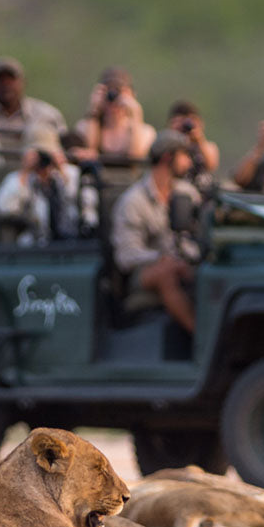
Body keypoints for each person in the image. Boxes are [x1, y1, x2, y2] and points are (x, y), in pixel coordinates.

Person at [110, 129, 200, 333]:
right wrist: (163, 258)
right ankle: (197, 334)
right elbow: (126, 255)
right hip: (145, 272)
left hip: (184, 263)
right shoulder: (134, 201)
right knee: (166, 273)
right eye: (184, 155)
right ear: (168, 157)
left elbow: (198, 236)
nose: (188, 162)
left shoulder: (187, 194)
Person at [0, 126, 80, 245]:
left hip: (72, 239)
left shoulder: (68, 173)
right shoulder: (18, 178)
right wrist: (25, 174)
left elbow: (77, 196)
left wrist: (61, 168)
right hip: (35, 241)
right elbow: (3, 207)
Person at [0, 56, 67, 151]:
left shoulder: (46, 115)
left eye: (11, 80)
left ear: (23, 82)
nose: (6, 85)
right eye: (0, 80)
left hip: (31, 165)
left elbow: (64, 147)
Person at [75, 67, 156, 161]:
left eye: (118, 91)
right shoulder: (84, 126)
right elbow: (89, 151)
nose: (113, 96)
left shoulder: (146, 131)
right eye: (108, 90)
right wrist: (94, 110)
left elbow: (135, 156)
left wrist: (135, 113)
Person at [166, 100, 220, 176]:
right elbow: (178, 168)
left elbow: (211, 165)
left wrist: (199, 139)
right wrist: (177, 138)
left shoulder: (207, 146)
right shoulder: (166, 148)